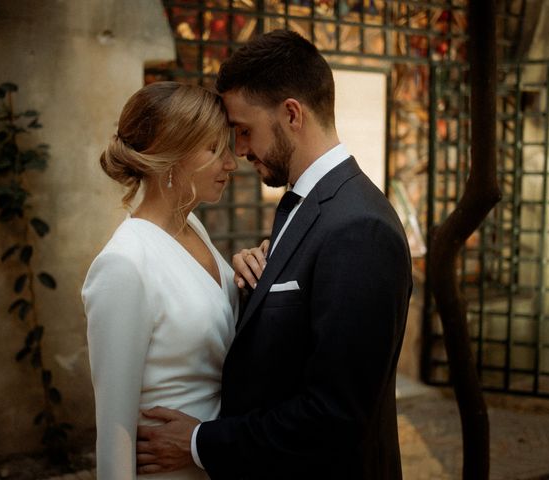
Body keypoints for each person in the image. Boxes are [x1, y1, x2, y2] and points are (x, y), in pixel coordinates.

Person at [136, 30, 413, 479]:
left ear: (291, 115)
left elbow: (335, 415)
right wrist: (256, 287)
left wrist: (198, 442)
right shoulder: (312, 205)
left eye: (245, 131)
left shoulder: (361, 228)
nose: (239, 150)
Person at [81, 81, 238, 479]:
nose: (231, 163)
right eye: (215, 149)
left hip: (210, 459)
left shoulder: (193, 227)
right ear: (172, 155)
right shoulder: (124, 264)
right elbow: (114, 425)